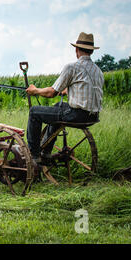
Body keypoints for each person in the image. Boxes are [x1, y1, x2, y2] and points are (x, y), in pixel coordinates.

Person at [25, 32, 104, 166]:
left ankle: (34, 155)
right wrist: (69, 90)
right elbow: (88, 89)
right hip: (92, 116)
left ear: (76, 50)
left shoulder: (72, 67)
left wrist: (35, 91)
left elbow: (51, 92)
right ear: (91, 51)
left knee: (34, 111)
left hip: (76, 115)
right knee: (57, 107)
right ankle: (46, 151)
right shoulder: (98, 71)